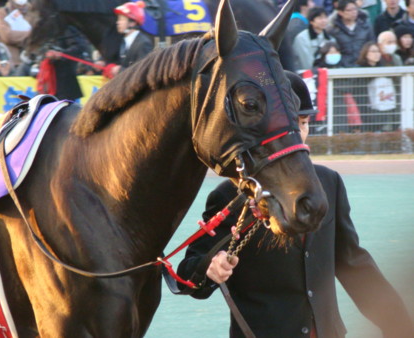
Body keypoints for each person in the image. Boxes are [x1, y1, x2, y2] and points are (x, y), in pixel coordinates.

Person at [177, 71, 414, 338]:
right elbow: (190, 272)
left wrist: (399, 324)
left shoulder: (329, 182)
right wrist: (211, 267)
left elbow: (352, 262)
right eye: (289, 124)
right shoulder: (230, 194)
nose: (298, 134)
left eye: (302, 123)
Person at [37, 25, 89, 100]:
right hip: (46, 76)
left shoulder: (66, 29)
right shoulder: (43, 30)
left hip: (64, 78)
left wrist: (61, 54)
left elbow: (79, 47)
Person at [108, 1, 153, 78]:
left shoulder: (143, 43)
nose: (118, 22)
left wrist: (119, 70)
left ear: (132, 23)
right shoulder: (123, 41)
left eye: (121, 19)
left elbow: (143, 73)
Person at [327, 0, 375, 67]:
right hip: (343, 68)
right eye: (349, 10)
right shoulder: (334, 30)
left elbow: (371, 44)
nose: (353, 12)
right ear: (340, 12)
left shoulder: (366, 27)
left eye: (355, 9)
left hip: (364, 66)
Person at [0, 0, 32, 69]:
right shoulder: (3, 11)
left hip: (31, 57)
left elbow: (39, 34)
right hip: (13, 59)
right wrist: (30, 33)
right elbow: (7, 36)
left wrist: (18, 35)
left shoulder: (34, 10)